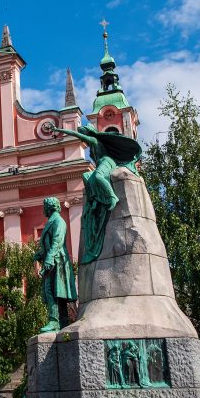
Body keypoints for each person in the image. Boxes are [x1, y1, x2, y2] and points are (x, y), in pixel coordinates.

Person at [50, 124, 141, 264]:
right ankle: (93, 199)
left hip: (107, 162)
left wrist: (58, 130)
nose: (83, 138)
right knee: (86, 176)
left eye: (84, 133)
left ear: (89, 132)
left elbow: (77, 136)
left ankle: (112, 196)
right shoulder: (92, 145)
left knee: (98, 177)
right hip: (100, 164)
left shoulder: (95, 141)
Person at [33, 197, 78, 332]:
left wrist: (48, 258)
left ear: (49, 207)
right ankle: (62, 323)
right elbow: (48, 245)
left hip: (57, 261)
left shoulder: (58, 221)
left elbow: (57, 242)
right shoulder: (52, 221)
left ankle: (54, 321)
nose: (43, 210)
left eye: (44, 207)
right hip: (54, 259)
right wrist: (40, 255)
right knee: (57, 292)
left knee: (51, 291)